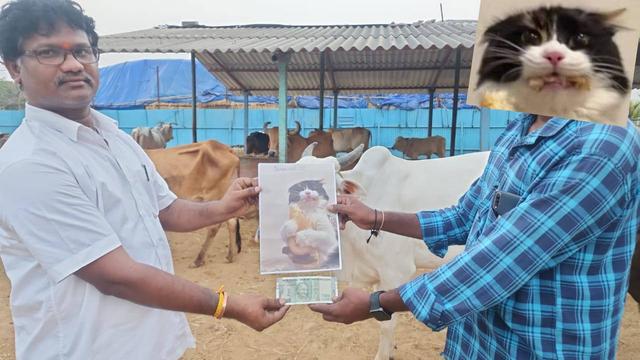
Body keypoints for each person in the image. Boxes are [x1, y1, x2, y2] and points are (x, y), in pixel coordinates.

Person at [0, 0, 288, 359]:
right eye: (48, 53)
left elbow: (166, 210)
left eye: (82, 51)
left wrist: (222, 207)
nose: (73, 64)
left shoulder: (116, 138)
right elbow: (115, 276)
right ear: (14, 67)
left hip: (153, 343)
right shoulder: (30, 164)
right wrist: (226, 305)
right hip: (87, 350)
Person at [310, 113, 640, 359]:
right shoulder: (518, 131)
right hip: (476, 343)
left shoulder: (603, 143)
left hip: (543, 348)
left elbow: (499, 263)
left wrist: (375, 303)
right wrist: (375, 216)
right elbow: (467, 215)